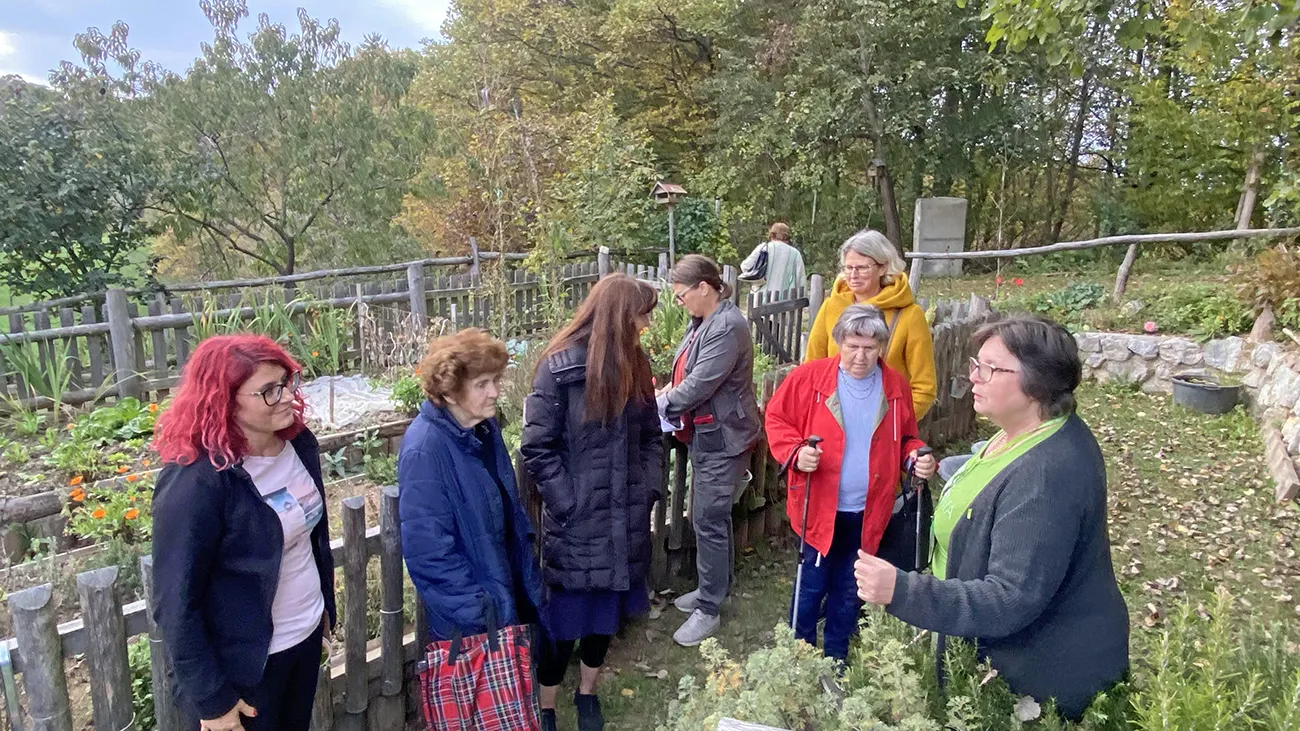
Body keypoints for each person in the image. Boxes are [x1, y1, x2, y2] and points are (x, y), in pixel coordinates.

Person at [853, 316, 1129, 720]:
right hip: (1007, 657)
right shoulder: (1019, 432)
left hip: (1037, 679)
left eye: (990, 368)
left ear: (1038, 383)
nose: (974, 378)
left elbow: (1011, 597)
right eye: (975, 364)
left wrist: (903, 591)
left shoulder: (1045, 475)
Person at [152, 334, 335, 731]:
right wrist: (212, 700)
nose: (286, 396)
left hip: (301, 640)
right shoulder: (196, 481)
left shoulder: (297, 445)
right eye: (269, 390)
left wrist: (319, 611)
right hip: (245, 668)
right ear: (225, 400)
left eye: (287, 382)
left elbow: (309, 539)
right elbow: (176, 603)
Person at [521, 274, 664, 731]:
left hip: (624, 521)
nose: (647, 323)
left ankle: (587, 694)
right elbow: (537, 447)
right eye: (642, 314)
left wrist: (648, 490)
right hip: (577, 525)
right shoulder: (559, 367)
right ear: (622, 315)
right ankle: (545, 706)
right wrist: (569, 502)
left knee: (603, 623)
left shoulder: (636, 365)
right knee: (561, 630)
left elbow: (651, 438)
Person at [764, 305, 935, 661]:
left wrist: (916, 457)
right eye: (853, 345)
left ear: (882, 347)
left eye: (870, 348)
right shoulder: (809, 378)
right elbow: (777, 419)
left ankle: (836, 657)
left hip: (869, 510)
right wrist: (796, 453)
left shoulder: (895, 386)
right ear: (839, 341)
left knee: (849, 588)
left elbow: (906, 439)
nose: (860, 356)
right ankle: (799, 659)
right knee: (811, 586)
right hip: (818, 509)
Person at [398, 328, 543, 646]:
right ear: (450, 392)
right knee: (479, 695)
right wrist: (483, 614)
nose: (495, 392)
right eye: (482, 384)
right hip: (472, 624)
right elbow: (430, 553)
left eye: (496, 381)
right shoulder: (425, 448)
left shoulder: (483, 428)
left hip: (503, 594)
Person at [657, 254, 762, 647]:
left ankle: (710, 608)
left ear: (705, 288)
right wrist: (666, 392)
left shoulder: (727, 327)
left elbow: (700, 384)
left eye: (682, 295)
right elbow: (686, 372)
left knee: (709, 518)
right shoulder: (705, 320)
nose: (679, 302)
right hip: (710, 435)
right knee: (709, 518)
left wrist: (657, 407)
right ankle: (711, 591)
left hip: (726, 438)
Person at [805, 229, 937, 419]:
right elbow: (812, 369)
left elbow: (924, 387)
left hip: (886, 432)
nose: (853, 275)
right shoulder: (831, 307)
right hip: (832, 426)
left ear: (883, 267)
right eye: (848, 268)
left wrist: (895, 424)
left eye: (862, 267)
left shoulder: (909, 315)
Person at [739, 221, 807, 295]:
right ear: (787, 236)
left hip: (760, 298)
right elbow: (801, 280)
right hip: (786, 301)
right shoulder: (795, 253)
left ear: (772, 234)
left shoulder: (763, 248)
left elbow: (745, 266)